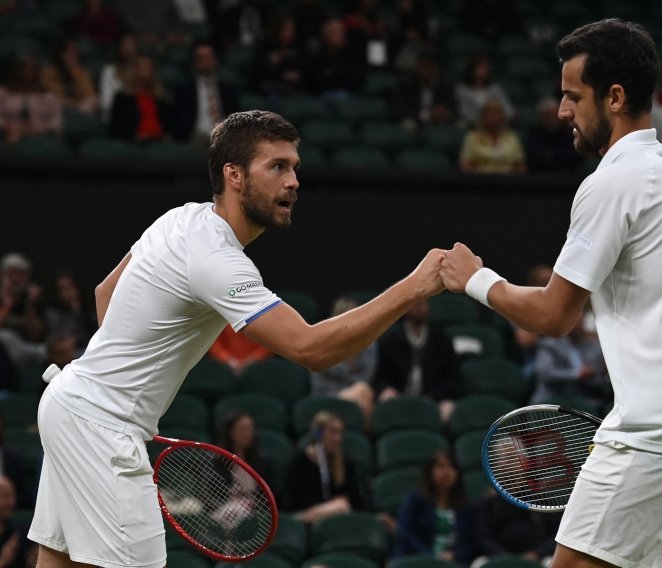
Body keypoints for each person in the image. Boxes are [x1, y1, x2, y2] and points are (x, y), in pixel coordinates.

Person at [28, 109, 445, 568]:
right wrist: (416, 286)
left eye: (295, 168)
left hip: (68, 403)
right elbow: (312, 349)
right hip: (98, 425)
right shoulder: (216, 258)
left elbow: (105, 292)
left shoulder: (180, 219)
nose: (293, 182)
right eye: (277, 167)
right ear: (234, 175)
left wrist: (127, 386)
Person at [440, 19, 662, 567]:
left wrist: (475, 280)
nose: (562, 112)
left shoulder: (610, 182)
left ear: (615, 96)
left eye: (571, 96)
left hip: (658, 432)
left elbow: (555, 315)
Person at [374, 299, 459, 422]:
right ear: (406, 308)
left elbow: (453, 379)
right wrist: (386, 389)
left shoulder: (442, 339)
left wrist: (432, 396)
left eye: (423, 304)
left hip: (435, 399)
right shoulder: (390, 340)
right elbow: (380, 377)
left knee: (448, 410)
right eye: (416, 304)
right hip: (399, 398)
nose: (420, 308)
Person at [283, 411, 364, 523]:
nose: (338, 439)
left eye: (340, 433)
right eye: (333, 432)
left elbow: (356, 499)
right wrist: (327, 505)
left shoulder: (346, 463)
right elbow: (291, 501)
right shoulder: (299, 462)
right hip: (305, 516)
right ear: (319, 434)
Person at [394, 451, 472, 565]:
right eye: (441, 467)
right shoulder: (415, 501)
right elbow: (405, 534)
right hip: (417, 560)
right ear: (430, 472)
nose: (447, 472)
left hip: (453, 562)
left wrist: (455, 554)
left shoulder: (464, 506)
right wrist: (431, 557)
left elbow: (470, 541)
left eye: (452, 467)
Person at [310, 296, 377, 424]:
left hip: (359, 397)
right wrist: (349, 389)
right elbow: (320, 386)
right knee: (362, 391)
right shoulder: (321, 346)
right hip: (327, 397)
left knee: (363, 391)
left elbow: (367, 377)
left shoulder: (369, 344)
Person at [173, 41, 239, 146]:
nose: (206, 62)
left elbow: (235, 117)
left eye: (209, 57)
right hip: (197, 137)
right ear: (194, 62)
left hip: (224, 138)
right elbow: (181, 120)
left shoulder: (227, 89)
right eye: (201, 58)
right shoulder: (185, 90)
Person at [108, 54, 174, 143]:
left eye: (148, 68)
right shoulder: (123, 97)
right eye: (141, 68)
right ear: (133, 71)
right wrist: (133, 137)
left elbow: (169, 124)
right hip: (135, 142)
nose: (145, 71)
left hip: (159, 141)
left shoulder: (160, 98)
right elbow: (115, 128)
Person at [0, 54, 62, 144]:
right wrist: (6, 126)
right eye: (25, 69)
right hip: (10, 135)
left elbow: (56, 122)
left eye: (32, 70)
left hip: (39, 137)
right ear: (17, 71)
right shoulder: (3, 93)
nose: (28, 72)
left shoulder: (47, 96)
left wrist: (42, 129)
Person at [459, 97, 526, 174]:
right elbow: (465, 165)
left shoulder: (512, 137)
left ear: (502, 116)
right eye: (489, 113)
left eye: (496, 113)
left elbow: (520, 165)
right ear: (482, 116)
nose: (492, 116)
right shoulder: (472, 137)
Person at [40, 37, 98, 115]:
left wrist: (76, 75)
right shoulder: (49, 73)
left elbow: (89, 95)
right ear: (60, 55)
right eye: (69, 53)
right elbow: (56, 98)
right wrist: (76, 105)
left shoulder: (82, 72)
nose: (73, 56)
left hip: (81, 112)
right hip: (58, 112)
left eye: (75, 53)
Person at [455, 54, 514, 126]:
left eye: (485, 67)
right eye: (479, 67)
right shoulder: (462, 90)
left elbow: (507, 109)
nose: (482, 71)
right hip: (472, 126)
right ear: (471, 69)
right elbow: (464, 112)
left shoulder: (495, 89)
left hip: (495, 125)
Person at [0, 253, 46, 343]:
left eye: (20, 275)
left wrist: (30, 305)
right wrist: (7, 304)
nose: (15, 280)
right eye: (11, 274)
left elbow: (35, 336)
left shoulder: (33, 300)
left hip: (27, 348)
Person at [98, 33, 138, 122]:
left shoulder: (140, 71)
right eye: (126, 45)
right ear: (119, 48)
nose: (130, 49)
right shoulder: (109, 71)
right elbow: (106, 103)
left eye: (132, 45)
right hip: (116, 119)